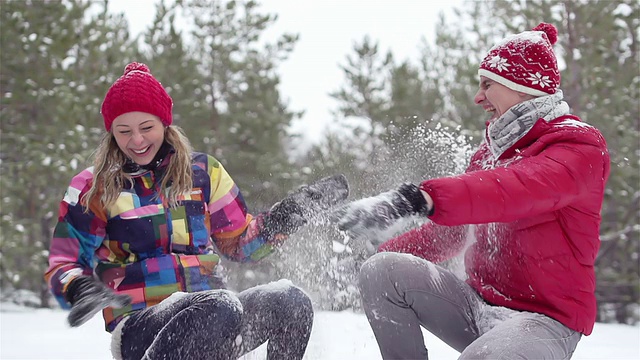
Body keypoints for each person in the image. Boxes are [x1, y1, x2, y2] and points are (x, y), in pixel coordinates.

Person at [333, 23, 610, 359]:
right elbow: (453, 234)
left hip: (544, 321)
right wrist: (374, 255)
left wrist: (419, 198)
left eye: (487, 85)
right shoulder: (490, 152)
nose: (479, 97)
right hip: (478, 305)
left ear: (519, 86)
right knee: (381, 271)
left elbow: (518, 189)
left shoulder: (578, 147)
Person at [45, 62, 349, 360]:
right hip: (142, 325)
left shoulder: (203, 172)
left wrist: (287, 216)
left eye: (146, 127)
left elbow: (239, 243)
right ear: (112, 133)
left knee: (290, 302)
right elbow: (64, 259)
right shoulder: (94, 185)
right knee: (217, 307)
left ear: (164, 124)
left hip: (216, 319)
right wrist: (78, 287)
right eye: (124, 131)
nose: (136, 140)